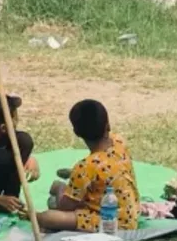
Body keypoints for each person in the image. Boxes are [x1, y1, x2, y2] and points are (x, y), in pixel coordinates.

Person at [38, 99, 139, 233]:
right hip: (131, 215)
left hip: (110, 223)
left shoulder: (85, 167)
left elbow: (65, 207)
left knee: (48, 216)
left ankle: (37, 215)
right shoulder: (119, 141)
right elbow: (106, 169)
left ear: (76, 132)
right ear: (108, 126)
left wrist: (59, 188)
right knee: (55, 201)